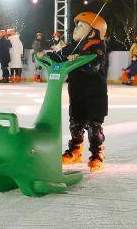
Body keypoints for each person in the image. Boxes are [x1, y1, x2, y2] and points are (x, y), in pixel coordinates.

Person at [48, 11, 108, 173]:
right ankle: (75, 150)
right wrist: (44, 57)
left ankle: (97, 153)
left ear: (93, 31)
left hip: (94, 95)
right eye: (76, 25)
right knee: (75, 123)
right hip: (77, 92)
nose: (76, 28)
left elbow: (94, 66)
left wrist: (79, 60)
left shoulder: (98, 47)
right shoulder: (72, 47)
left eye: (82, 26)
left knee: (94, 127)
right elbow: (59, 57)